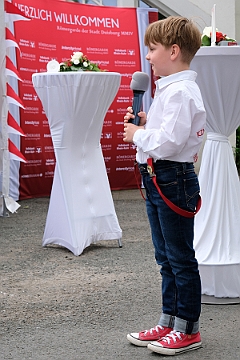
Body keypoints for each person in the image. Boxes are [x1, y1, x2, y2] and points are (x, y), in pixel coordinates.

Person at [123, 16, 206, 356]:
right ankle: (169, 320)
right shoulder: (170, 88)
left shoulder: (181, 91)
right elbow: (169, 131)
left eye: (152, 49)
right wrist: (146, 122)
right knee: (166, 257)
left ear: (173, 51)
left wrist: (139, 135)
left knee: (179, 258)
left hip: (172, 176)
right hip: (161, 177)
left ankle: (187, 328)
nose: (149, 57)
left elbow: (170, 142)